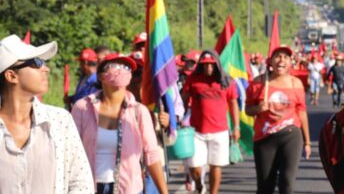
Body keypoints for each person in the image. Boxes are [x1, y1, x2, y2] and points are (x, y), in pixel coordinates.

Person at [0, 34, 93, 193]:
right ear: (11, 75)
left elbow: (81, 183)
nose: (46, 68)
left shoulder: (60, 120)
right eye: (36, 62)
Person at [71, 53, 168, 194]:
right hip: (89, 187)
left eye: (126, 67)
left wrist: (164, 192)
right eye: (115, 66)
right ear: (101, 76)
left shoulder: (139, 111)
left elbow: (151, 155)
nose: (121, 71)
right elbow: (71, 151)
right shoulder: (83, 108)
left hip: (129, 189)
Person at [245, 45, 311, 194]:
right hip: (265, 137)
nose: (281, 60)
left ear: (290, 62)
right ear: (270, 61)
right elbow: (248, 110)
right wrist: (258, 109)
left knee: (287, 184)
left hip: (291, 135)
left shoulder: (296, 83)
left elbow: (302, 113)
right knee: (265, 186)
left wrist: (307, 142)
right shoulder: (259, 82)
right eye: (278, 56)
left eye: (285, 57)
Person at [181, 50, 240, 194]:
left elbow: (233, 104)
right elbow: (183, 98)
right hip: (196, 131)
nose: (208, 68)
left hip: (220, 131)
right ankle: (199, 186)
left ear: (217, 65)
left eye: (211, 65)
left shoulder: (226, 81)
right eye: (205, 65)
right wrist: (181, 117)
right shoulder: (193, 79)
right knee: (194, 166)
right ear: (200, 65)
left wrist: (236, 127)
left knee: (216, 165)